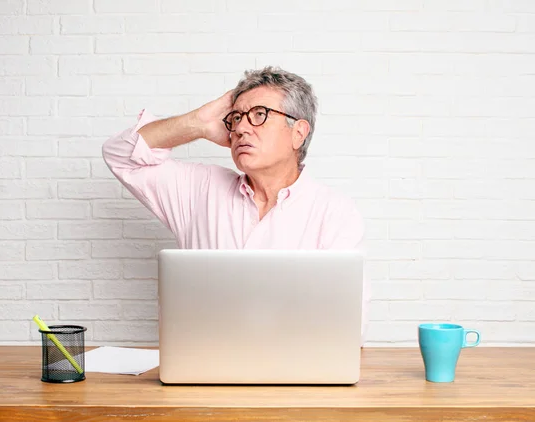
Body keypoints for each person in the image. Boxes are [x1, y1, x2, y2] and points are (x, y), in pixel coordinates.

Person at [102, 66, 370, 342]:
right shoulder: (200, 189)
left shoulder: (335, 213)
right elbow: (120, 155)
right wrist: (199, 123)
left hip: (292, 377)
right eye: (236, 118)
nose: (241, 128)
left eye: (259, 115)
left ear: (298, 133)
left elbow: (350, 326)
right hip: (204, 373)